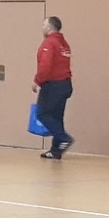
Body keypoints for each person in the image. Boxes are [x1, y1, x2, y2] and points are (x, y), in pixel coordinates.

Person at [33, 16, 74, 160]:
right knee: (56, 117)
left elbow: (46, 65)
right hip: (65, 84)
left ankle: (63, 138)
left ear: (49, 28)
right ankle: (56, 151)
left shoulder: (49, 43)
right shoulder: (64, 43)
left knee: (42, 114)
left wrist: (37, 81)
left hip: (53, 84)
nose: (42, 28)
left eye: (44, 25)